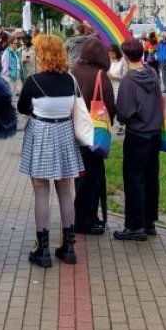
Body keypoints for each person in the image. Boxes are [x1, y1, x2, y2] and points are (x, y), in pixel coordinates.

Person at [17, 35, 83, 267]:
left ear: (41, 54)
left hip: (41, 133)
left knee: (41, 191)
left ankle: (42, 249)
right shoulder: (70, 80)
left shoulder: (33, 81)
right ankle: (69, 246)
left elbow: (22, 107)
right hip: (65, 132)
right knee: (66, 189)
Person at [113, 38, 164, 241]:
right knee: (151, 178)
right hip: (155, 132)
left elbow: (124, 112)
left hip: (137, 134)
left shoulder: (128, 80)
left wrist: (123, 117)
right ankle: (149, 221)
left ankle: (134, 226)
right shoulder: (152, 73)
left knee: (134, 180)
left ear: (125, 56)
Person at [71, 37, 116, 235]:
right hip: (94, 133)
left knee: (80, 176)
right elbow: (110, 106)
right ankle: (87, 219)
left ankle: (79, 216)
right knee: (93, 177)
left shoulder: (74, 71)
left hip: (74, 132)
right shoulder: (100, 75)